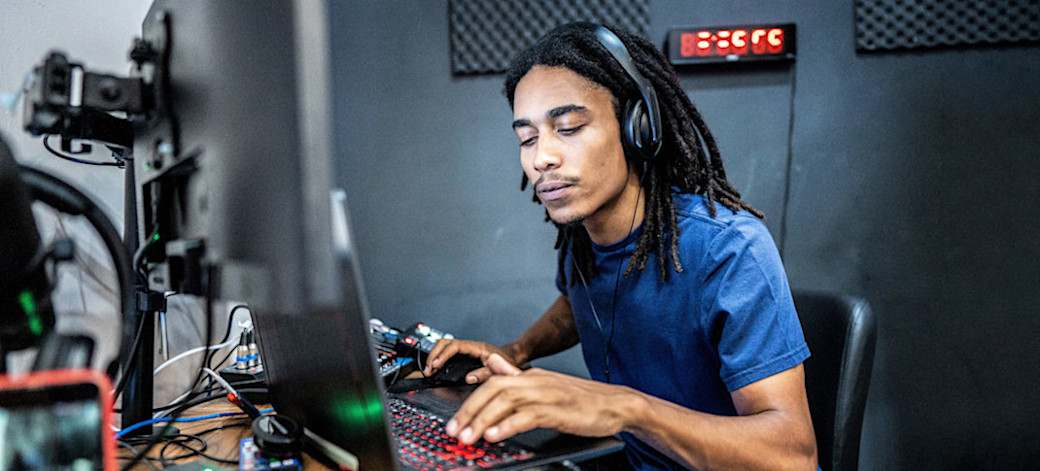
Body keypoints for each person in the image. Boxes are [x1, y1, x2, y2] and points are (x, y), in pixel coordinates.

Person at [424, 22, 817, 470]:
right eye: (527, 138)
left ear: (638, 127)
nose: (541, 158)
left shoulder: (728, 249)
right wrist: (516, 351)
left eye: (568, 127)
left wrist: (628, 409)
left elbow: (793, 457)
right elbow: (581, 302)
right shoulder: (583, 237)